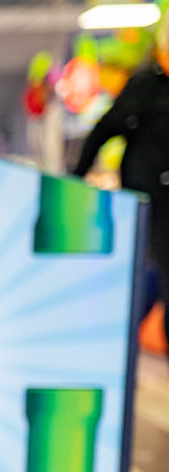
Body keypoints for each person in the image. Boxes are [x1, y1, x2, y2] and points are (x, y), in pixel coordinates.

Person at [72, 23, 169, 356]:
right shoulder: (146, 88)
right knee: (148, 274)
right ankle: (117, 347)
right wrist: (76, 177)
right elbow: (104, 131)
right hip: (148, 202)